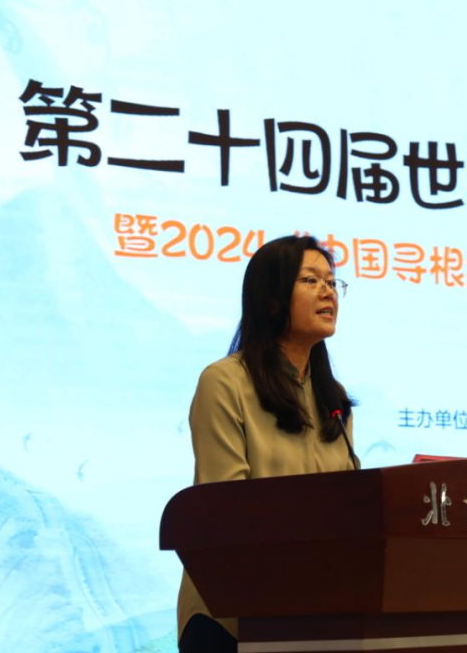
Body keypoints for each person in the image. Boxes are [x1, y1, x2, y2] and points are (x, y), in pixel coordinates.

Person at [176, 235, 357, 653]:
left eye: (332, 282)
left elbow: (353, 508)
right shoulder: (226, 382)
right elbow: (223, 508)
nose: (328, 292)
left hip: (313, 616)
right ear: (272, 299)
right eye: (311, 280)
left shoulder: (334, 400)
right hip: (230, 618)